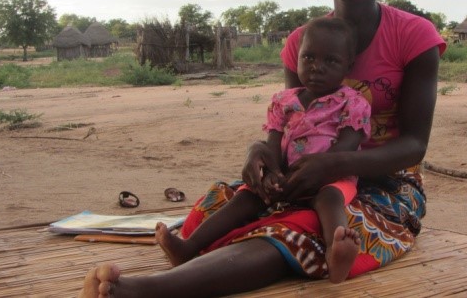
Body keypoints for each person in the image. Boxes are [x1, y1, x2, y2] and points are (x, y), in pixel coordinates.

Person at [79, 0, 447, 297]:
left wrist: (336, 165)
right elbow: (294, 125)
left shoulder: (414, 36)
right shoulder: (301, 44)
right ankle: (185, 261)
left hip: (387, 181)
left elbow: (415, 145)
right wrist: (261, 154)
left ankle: (146, 291)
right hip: (307, 170)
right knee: (225, 206)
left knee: (299, 229)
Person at [156, 16, 372, 284]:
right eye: (309, 58)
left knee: (329, 200)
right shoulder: (284, 101)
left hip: (332, 176)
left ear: (348, 66)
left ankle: (336, 253)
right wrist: (271, 175)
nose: (317, 68)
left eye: (331, 61)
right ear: (297, 58)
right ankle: (189, 247)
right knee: (247, 196)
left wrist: (317, 172)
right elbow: (271, 145)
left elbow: (347, 147)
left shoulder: (353, 102)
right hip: (285, 176)